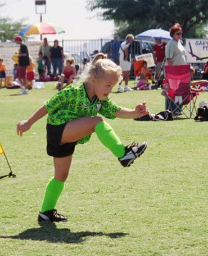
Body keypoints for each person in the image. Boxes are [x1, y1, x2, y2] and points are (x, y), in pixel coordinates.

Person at [16, 58, 149, 223]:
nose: (110, 90)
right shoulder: (74, 90)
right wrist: (28, 122)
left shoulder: (100, 99)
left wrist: (136, 113)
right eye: (107, 85)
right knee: (97, 122)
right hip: (58, 129)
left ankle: (45, 213)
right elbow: (48, 105)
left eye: (113, 86)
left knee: (61, 176)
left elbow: (116, 111)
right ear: (93, 79)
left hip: (67, 136)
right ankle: (123, 155)